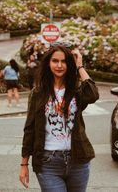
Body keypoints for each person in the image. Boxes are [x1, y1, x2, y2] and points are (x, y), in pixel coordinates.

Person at [19, 43, 99, 192]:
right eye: (55, 61)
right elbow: (29, 129)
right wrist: (24, 165)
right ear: (48, 63)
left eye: (64, 61)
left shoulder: (76, 91)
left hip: (78, 160)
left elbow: (93, 94)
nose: (59, 65)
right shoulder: (38, 93)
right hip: (48, 162)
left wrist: (79, 66)